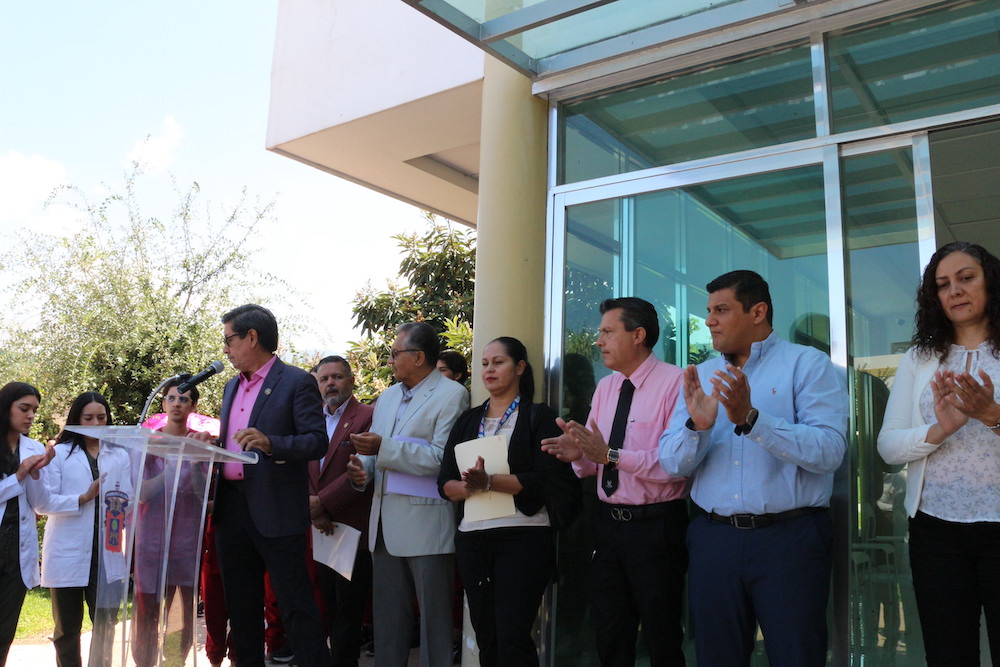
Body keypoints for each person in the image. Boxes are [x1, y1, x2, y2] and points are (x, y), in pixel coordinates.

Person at [659, 270, 848, 666]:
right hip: (714, 541)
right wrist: (698, 427)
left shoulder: (807, 365)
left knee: (797, 655)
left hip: (789, 540)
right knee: (716, 657)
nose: (709, 320)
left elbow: (830, 451)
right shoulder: (702, 376)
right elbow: (673, 463)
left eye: (721, 310)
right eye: (708, 310)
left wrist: (751, 418)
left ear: (758, 311)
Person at [542, 297, 689, 667]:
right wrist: (578, 456)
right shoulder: (607, 388)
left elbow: (675, 464)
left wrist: (607, 455)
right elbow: (596, 458)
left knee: (662, 635)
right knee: (610, 633)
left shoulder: (677, 383)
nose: (598, 341)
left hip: (657, 526)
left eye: (608, 332)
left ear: (638, 335)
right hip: (607, 525)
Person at [877, 241, 1000, 666]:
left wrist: (992, 416)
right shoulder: (921, 358)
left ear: (990, 282)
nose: (955, 291)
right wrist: (940, 429)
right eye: (943, 284)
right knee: (948, 654)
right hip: (936, 532)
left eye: (967, 278)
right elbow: (889, 447)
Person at [194, 304, 328, 667]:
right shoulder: (229, 387)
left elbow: (317, 441)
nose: (225, 349)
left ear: (252, 337)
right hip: (232, 508)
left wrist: (272, 443)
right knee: (242, 608)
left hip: (277, 508)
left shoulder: (296, 381)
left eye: (229, 340)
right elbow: (233, 445)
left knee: (295, 604)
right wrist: (212, 447)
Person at [439, 336, 578, 667]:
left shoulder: (538, 416)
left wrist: (490, 482)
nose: (489, 369)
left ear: (519, 368)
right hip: (473, 538)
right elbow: (444, 483)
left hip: (523, 537)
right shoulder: (467, 421)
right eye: (485, 363)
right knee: (486, 637)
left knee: (513, 637)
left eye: (498, 362)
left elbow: (545, 478)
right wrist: (470, 487)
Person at [347, 321, 469, 667]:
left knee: (434, 624)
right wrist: (361, 473)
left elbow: (441, 459)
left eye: (395, 353)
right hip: (384, 526)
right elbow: (377, 456)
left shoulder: (451, 395)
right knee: (387, 623)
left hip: (427, 525)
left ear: (418, 357)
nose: (390, 361)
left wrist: (383, 448)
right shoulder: (387, 397)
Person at [40, 392, 131, 667]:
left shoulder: (119, 454)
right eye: (88, 418)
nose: (95, 423)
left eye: (101, 418)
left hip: (107, 551)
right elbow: (44, 503)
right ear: (75, 419)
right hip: (68, 551)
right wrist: (83, 497)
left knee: (106, 623)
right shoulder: (59, 454)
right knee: (67, 628)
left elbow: (126, 498)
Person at [132, 380, 206, 667]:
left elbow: (201, 496)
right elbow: (142, 493)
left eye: (184, 399)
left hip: (185, 544)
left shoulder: (200, 444)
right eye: (171, 398)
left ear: (193, 407)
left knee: (180, 615)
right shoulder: (149, 444)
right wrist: (173, 464)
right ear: (163, 404)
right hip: (151, 542)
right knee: (146, 611)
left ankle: (174, 663)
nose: (177, 403)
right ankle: (144, 663)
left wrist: (197, 461)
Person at [309, 355, 375, 667]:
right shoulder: (312, 420)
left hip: (353, 528)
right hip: (320, 527)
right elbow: (303, 468)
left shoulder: (368, 416)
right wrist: (315, 510)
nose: (330, 383)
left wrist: (322, 502)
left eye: (336, 377)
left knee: (349, 612)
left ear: (350, 380)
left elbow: (362, 472)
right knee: (330, 608)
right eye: (324, 379)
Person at [0, 382, 53, 667]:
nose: (31, 415)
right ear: (5, 407)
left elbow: (41, 504)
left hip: (17, 554)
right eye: (24, 408)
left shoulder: (32, 448)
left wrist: (36, 474)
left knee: (5, 631)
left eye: (34, 410)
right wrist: (19, 474)